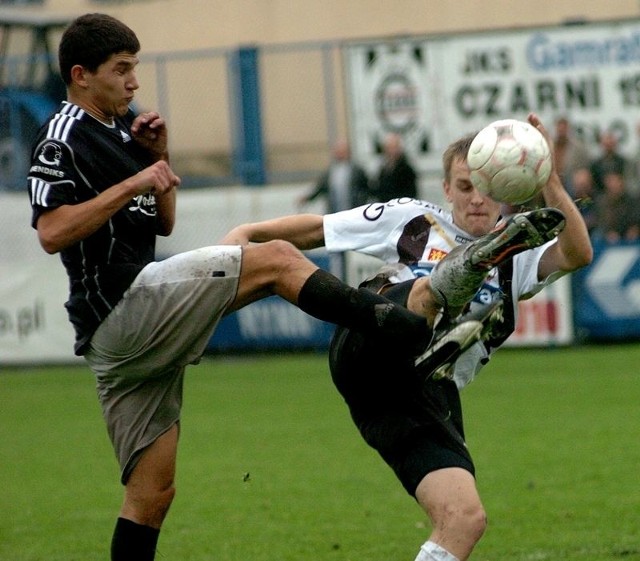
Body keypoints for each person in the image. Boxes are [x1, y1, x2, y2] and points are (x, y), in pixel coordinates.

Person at [26, 13, 448, 561]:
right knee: (274, 259)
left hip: (122, 347)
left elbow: (163, 223)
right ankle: (402, 328)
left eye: (135, 69)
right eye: (121, 70)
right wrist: (135, 178)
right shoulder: (62, 135)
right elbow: (52, 232)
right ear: (81, 75)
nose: (133, 82)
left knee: (150, 496)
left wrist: (156, 159)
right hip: (124, 307)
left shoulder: (124, 129)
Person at [224, 113, 593, 561]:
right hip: (369, 344)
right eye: (464, 186)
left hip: (419, 395)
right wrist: (249, 233)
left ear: (509, 190)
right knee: (418, 304)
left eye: (488, 189)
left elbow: (577, 253)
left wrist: (549, 177)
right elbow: (320, 228)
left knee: (464, 520)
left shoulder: (521, 254)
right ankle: (451, 278)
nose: (477, 199)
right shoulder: (411, 219)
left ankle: (457, 278)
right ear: (446, 189)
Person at [297, 138, 370, 212]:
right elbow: (320, 188)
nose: (340, 154)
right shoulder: (330, 172)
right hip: (334, 212)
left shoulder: (357, 170)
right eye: (338, 151)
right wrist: (307, 198)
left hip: (353, 211)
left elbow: (367, 188)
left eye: (342, 151)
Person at [593, 171, 640, 243]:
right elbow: (601, 221)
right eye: (610, 182)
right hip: (609, 233)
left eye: (615, 181)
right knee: (596, 236)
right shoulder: (602, 201)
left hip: (627, 231)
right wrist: (608, 233)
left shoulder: (631, 200)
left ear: (621, 182)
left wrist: (635, 228)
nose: (613, 185)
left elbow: (635, 216)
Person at [371, 132, 418, 201]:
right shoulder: (383, 168)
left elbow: (410, 193)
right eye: (388, 148)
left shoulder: (406, 170)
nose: (391, 151)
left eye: (394, 147)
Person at [552, 116, 591, 191]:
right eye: (559, 128)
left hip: (571, 181)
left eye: (564, 128)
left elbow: (585, 167)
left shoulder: (578, 148)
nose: (561, 130)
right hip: (551, 179)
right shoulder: (548, 145)